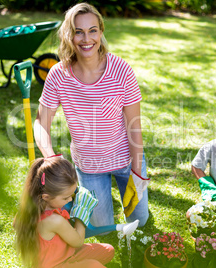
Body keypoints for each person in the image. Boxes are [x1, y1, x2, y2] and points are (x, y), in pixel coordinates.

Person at [34, 3, 149, 228]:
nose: (87, 39)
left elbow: (134, 125)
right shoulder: (59, 75)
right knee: (100, 227)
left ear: (101, 31)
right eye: (79, 32)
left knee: (140, 221)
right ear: (69, 35)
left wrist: (137, 171)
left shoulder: (121, 70)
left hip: (126, 160)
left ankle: (132, 193)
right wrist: (50, 157)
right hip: (89, 166)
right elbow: (41, 123)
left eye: (92, 30)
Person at [14, 156, 114, 268]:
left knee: (108, 250)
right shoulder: (54, 221)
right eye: (66, 198)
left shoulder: (30, 208)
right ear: (46, 196)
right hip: (56, 265)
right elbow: (78, 242)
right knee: (95, 265)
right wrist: (82, 213)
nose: (70, 200)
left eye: (72, 195)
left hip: (66, 254)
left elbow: (15, 224)